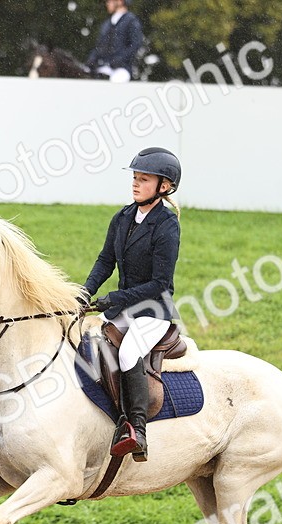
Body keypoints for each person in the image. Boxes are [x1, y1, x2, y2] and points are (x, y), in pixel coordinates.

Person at [81, 147, 182, 461]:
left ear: (164, 187)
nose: (136, 184)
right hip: (124, 309)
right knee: (93, 345)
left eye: (144, 179)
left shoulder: (167, 225)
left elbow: (160, 283)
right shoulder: (123, 217)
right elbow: (105, 260)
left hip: (154, 311)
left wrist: (113, 298)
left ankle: (136, 430)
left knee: (127, 352)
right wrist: (84, 292)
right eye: (135, 178)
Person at [85, 0, 142, 82]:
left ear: (120, 2)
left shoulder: (131, 21)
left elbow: (135, 44)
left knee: (116, 81)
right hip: (103, 67)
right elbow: (99, 46)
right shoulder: (106, 24)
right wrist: (91, 60)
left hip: (121, 69)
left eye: (110, 1)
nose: (107, 3)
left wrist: (119, 60)